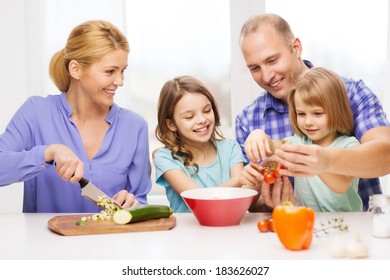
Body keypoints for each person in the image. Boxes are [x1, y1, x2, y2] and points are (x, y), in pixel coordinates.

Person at [236, 13, 390, 211]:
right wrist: (268, 204)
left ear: (296, 48)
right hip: (295, 228)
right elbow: (248, 200)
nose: (266, 76)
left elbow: (386, 154)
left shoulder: (350, 93)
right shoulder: (248, 120)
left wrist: (326, 160)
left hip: (357, 231)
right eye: (254, 68)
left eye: (273, 60)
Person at [0, 20, 152, 213]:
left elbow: (140, 200)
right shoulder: (35, 112)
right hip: (44, 243)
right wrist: (48, 152)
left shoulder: (135, 127)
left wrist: (133, 203)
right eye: (109, 71)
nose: (120, 81)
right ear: (76, 69)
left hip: (112, 242)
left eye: (123, 71)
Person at [253, 67, 362, 212]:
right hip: (306, 222)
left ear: (337, 110)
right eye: (301, 114)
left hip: (343, 224)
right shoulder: (299, 142)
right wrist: (258, 135)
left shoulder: (349, 145)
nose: (308, 122)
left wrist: (315, 160)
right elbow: (272, 145)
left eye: (317, 113)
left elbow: (341, 185)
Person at [153, 75, 246, 213]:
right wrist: (240, 180)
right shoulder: (165, 158)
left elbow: (241, 198)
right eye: (190, 117)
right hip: (187, 233)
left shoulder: (230, 148)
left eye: (207, 110)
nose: (202, 119)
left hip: (229, 228)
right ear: (171, 124)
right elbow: (200, 199)